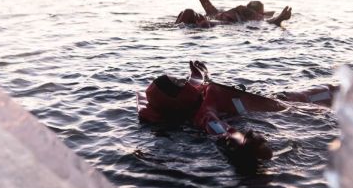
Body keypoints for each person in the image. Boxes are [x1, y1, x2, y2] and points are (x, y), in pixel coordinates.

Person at [137, 60, 337, 164]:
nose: (183, 81)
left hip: (276, 97)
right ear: (176, 101)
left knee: (330, 89)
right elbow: (222, 131)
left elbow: (196, 77)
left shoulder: (193, 89)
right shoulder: (205, 114)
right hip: (281, 110)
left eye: (179, 79)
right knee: (320, 105)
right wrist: (245, 142)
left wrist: (199, 69)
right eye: (178, 83)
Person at [175, 0, 292, 27]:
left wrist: (280, 18)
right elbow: (212, 12)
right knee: (186, 13)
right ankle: (175, 27)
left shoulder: (254, 16)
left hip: (212, 24)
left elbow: (268, 22)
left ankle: (176, 27)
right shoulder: (242, 12)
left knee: (188, 13)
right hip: (210, 22)